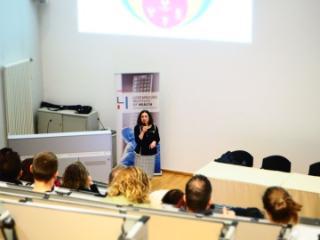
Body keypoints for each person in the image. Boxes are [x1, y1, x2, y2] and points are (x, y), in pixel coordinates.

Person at [134, 110, 160, 178]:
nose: (144, 118)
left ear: (149, 118)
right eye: (142, 116)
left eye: (146, 116)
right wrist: (143, 131)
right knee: (140, 174)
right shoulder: (137, 127)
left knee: (149, 173)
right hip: (141, 153)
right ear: (140, 118)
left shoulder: (154, 127)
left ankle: (148, 185)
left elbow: (157, 138)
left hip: (151, 153)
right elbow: (138, 141)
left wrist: (154, 142)